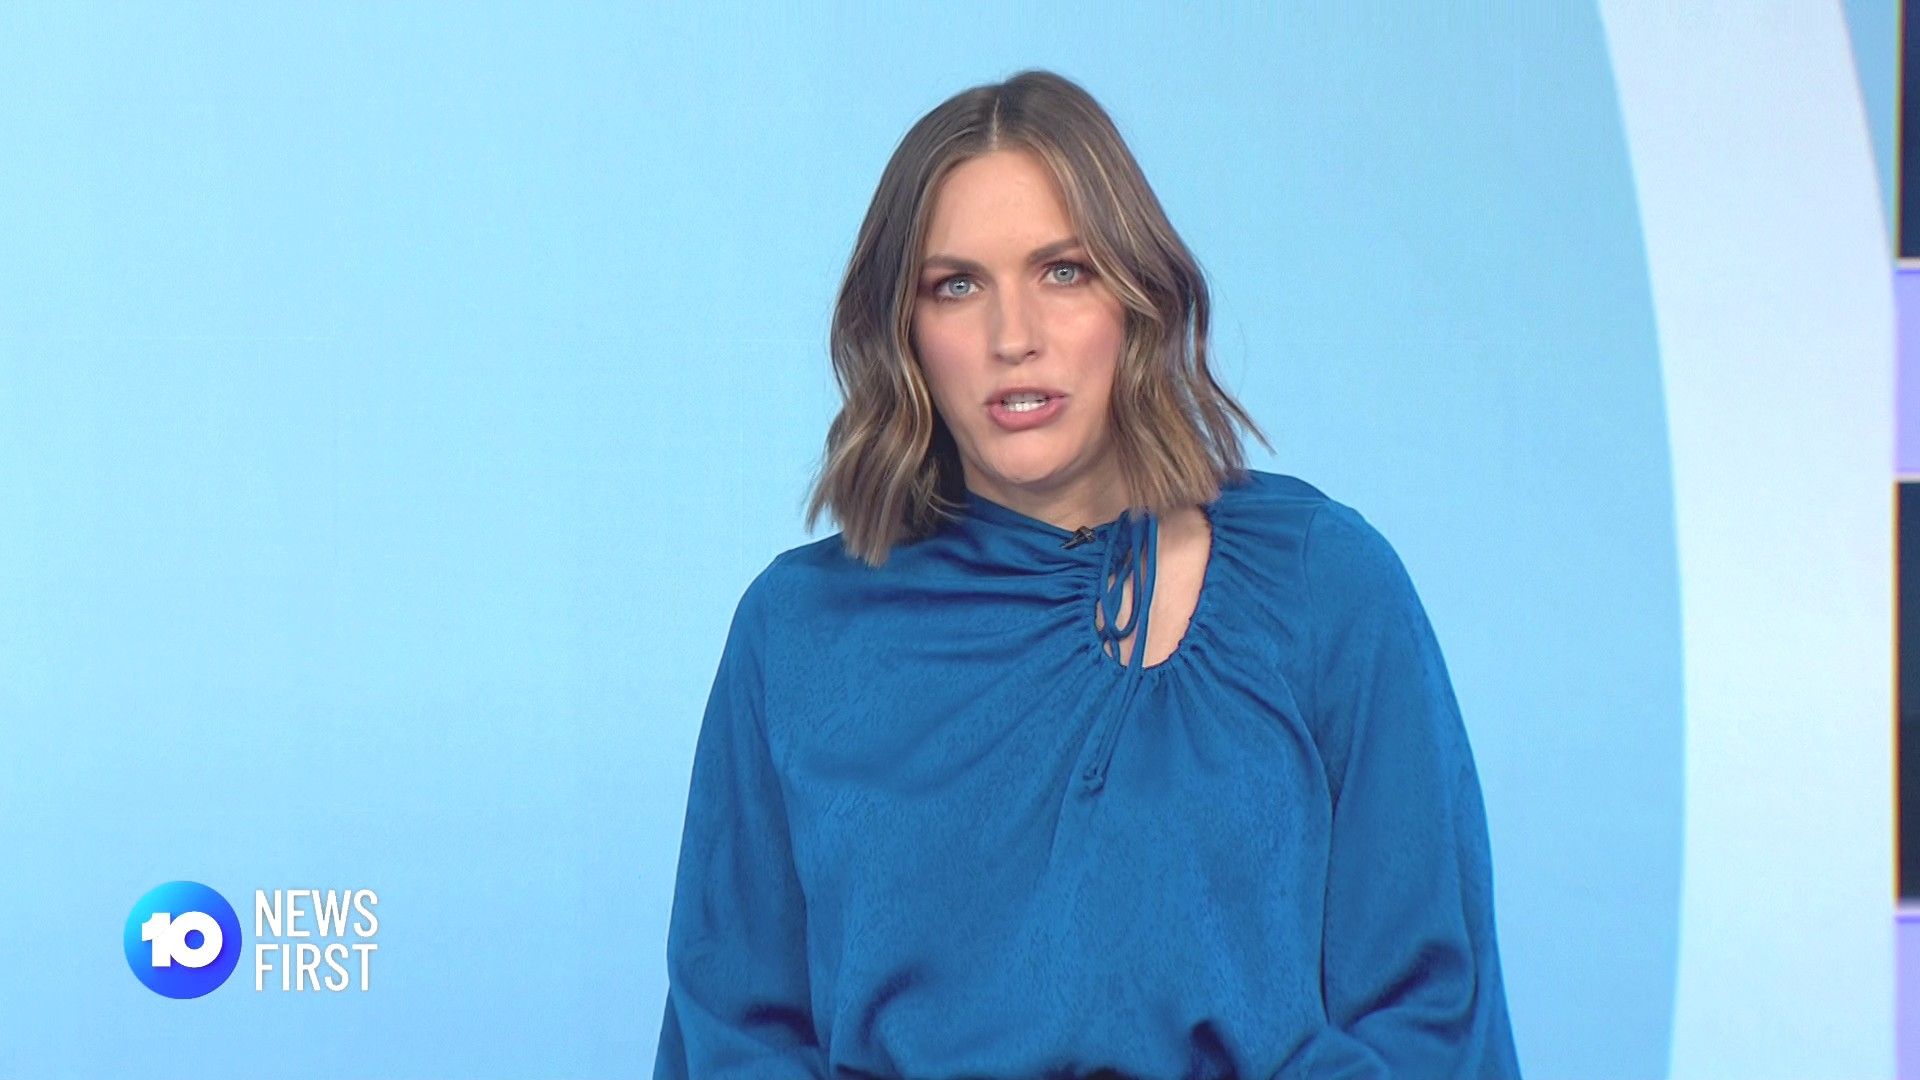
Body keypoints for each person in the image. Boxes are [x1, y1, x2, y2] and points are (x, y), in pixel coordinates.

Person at [652, 69, 1522, 1079]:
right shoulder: (799, 630)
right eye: (956, 285)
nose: (1012, 337)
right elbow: (732, 1032)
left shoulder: (1326, 587)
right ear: (903, 330)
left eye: (1063, 271)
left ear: (1136, 295)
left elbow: (1430, 1017)